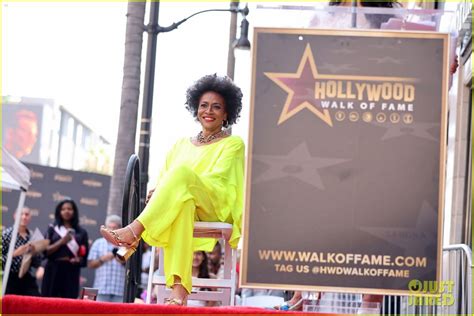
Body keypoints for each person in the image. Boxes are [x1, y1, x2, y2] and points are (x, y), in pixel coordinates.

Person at [100, 74, 245, 306]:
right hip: (186, 203)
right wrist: (159, 191)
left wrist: (173, 186)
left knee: (182, 177)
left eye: (217, 107)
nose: (209, 111)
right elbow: (164, 180)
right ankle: (179, 293)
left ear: (227, 113)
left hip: (215, 204)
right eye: (203, 106)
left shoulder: (233, 143)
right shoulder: (180, 145)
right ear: (196, 109)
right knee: (183, 203)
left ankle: (134, 232)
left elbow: (216, 178)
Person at [42, 199, 89, 298]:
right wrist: (61, 242)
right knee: (49, 302)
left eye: (69, 209)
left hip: (71, 271)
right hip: (53, 269)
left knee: (68, 302)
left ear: (74, 211)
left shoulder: (81, 232)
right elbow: (45, 252)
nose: (66, 211)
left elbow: (84, 257)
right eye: (63, 209)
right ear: (59, 212)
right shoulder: (52, 229)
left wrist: (78, 259)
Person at [2, 207, 41, 296]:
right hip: (8, 277)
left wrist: (34, 253)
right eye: (21, 214)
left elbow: (36, 262)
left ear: (30, 217)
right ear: (15, 216)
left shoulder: (31, 236)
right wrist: (14, 254)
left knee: (35, 301)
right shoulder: (6, 235)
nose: (24, 217)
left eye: (27, 215)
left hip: (26, 276)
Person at [87, 215, 125, 302]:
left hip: (119, 291)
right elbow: (90, 264)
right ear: (105, 228)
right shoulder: (98, 243)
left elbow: (131, 267)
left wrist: (121, 260)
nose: (111, 230)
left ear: (120, 229)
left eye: (114, 228)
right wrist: (102, 259)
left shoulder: (124, 245)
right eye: (109, 227)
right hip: (101, 289)